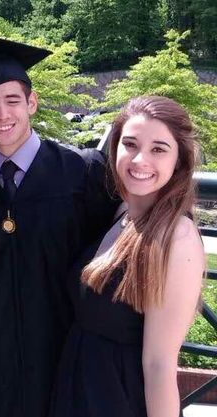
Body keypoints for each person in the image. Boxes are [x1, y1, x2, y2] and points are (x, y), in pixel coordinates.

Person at [0, 37, 119, 417]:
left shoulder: (82, 172)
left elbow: (124, 241)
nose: (2, 114)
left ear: (32, 103)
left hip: (60, 352)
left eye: (12, 101)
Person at [50, 96, 204, 417]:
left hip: (117, 401)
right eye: (130, 144)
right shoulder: (122, 213)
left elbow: (160, 365)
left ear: (179, 160)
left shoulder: (177, 237)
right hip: (78, 391)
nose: (140, 160)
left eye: (159, 149)